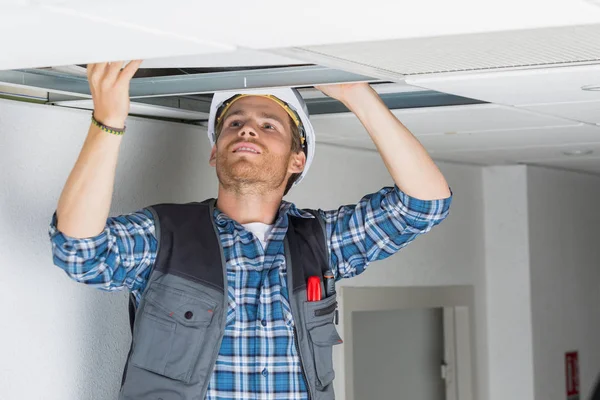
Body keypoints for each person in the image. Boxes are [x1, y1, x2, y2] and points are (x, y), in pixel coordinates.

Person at [49, 60, 452, 400]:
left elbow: (424, 205)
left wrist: (356, 95)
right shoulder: (165, 238)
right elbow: (79, 251)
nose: (246, 129)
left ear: (297, 160)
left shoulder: (320, 244)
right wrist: (109, 121)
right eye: (235, 122)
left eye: (269, 125)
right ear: (214, 151)